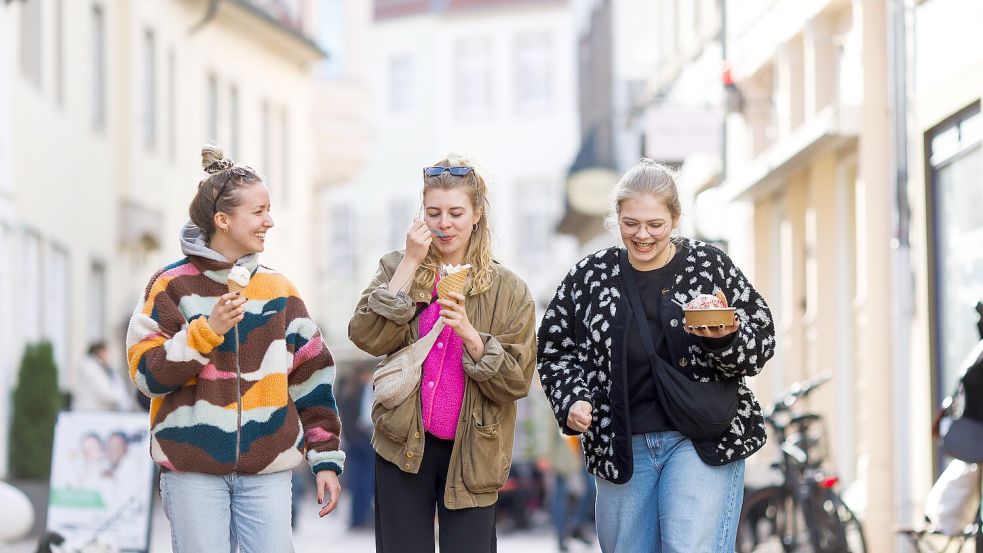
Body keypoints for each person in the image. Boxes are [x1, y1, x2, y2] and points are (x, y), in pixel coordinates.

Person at [537, 159, 776, 553]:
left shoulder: (708, 265)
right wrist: (573, 399)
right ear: (617, 218)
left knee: (687, 547)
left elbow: (760, 339)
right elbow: (555, 350)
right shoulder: (590, 277)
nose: (642, 235)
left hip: (701, 440)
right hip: (621, 446)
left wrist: (725, 337)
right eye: (631, 224)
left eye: (655, 225)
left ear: (676, 218)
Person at [126, 145, 345, 552]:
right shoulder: (171, 286)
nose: (270, 221)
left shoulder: (279, 291)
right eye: (259, 211)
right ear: (222, 220)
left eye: (269, 210)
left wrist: (325, 458)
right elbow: (147, 374)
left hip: (268, 472)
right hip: (192, 471)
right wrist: (206, 331)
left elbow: (312, 380)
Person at [348, 154, 537, 553]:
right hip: (402, 444)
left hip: (474, 451)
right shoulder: (397, 266)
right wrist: (410, 264)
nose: (443, 224)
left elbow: (516, 381)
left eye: (455, 212)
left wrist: (470, 333)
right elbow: (365, 336)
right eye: (433, 213)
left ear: (477, 215)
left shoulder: (510, 290)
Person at [336, 363, 376, 530]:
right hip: (366, 443)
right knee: (367, 481)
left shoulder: (345, 393)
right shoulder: (365, 391)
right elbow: (366, 419)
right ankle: (364, 516)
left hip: (352, 443)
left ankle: (355, 518)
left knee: (355, 482)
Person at [74, 342, 132, 411]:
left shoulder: (102, 367)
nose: (108, 356)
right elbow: (106, 394)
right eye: (106, 352)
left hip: (96, 413)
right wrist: (121, 397)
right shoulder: (91, 367)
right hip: (90, 412)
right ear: (100, 352)